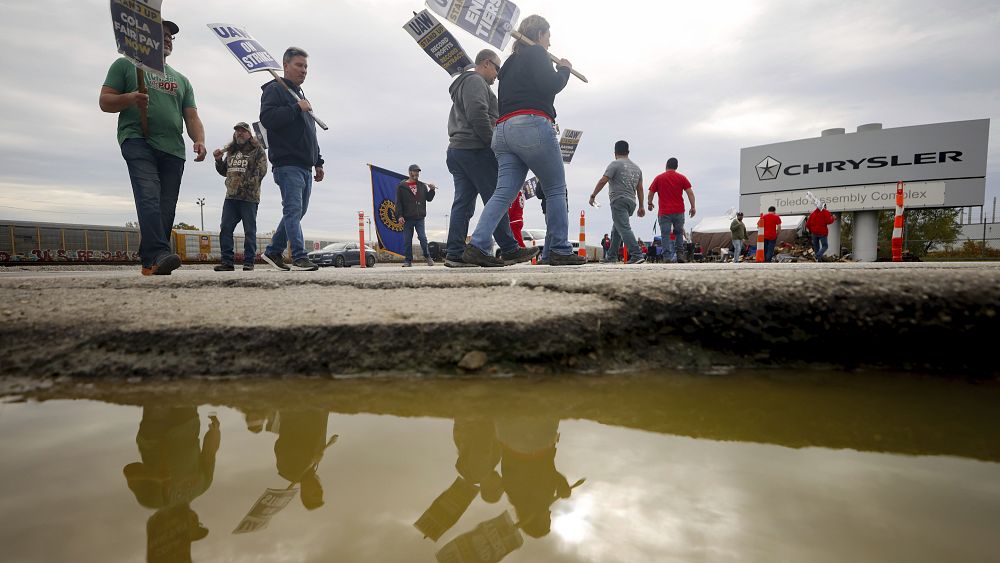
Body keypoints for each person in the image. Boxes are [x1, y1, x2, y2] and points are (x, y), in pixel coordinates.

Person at [462, 15, 585, 267]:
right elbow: (551, 85)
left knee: (503, 192)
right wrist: (564, 70)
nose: (549, 43)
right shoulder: (538, 53)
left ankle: (478, 244)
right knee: (555, 188)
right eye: (548, 37)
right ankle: (559, 249)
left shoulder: (508, 63)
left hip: (503, 131)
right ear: (539, 34)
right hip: (532, 125)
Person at [100, 20, 207, 276]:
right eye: (162, 34)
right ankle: (160, 252)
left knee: (166, 206)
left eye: (170, 36)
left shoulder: (182, 80)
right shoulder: (126, 65)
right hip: (138, 140)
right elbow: (105, 101)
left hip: (173, 149)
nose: (168, 38)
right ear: (145, 38)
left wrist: (199, 139)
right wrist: (130, 98)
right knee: (148, 195)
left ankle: (151, 261)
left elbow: (191, 116)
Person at [444, 50, 537, 267]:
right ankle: (510, 249)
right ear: (486, 63)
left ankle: (455, 252)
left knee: (463, 204)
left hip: (459, 149)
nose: (498, 75)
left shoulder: (464, 84)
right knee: (496, 198)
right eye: (497, 68)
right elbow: (477, 112)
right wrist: (492, 143)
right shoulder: (475, 81)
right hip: (476, 149)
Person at [259, 47, 324, 272]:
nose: (303, 70)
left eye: (305, 66)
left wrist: (318, 161)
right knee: (293, 211)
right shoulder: (275, 90)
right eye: (299, 65)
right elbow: (268, 118)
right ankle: (299, 256)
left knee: (297, 212)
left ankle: (273, 251)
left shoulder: (300, 96)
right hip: (287, 164)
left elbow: (310, 133)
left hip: (305, 165)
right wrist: (296, 108)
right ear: (285, 66)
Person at [213, 122, 267, 271]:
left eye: (243, 131)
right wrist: (218, 160)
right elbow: (224, 171)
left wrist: (244, 184)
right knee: (225, 229)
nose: (239, 133)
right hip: (231, 197)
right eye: (237, 131)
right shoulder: (231, 151)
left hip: (249, 198)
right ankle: (227, 262)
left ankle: (249, 262)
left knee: (249, 231)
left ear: (249, 134)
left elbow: (261, 172)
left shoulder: (257, 150)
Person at [590, 140, 646, 264]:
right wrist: (641, 206)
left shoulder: (614, 164)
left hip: (619, 200)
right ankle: (611, 256)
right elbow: (640, 189)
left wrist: (593, 196)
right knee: (616, 229)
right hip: (631, 202)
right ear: (628, 152)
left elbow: (603, 181)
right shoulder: (637, 168)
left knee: (624, 228)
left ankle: (637, 254)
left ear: (615, 153)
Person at [647, 158, 695, 263]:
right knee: (679, 233)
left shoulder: (659, 178)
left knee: (665, 235)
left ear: (666, 165)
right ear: (676, 167)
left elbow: (651, 193)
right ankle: (680, 255)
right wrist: (693, 207)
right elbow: (690, 193)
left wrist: (650, 204)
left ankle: (667, 257)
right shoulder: (682, 178)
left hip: (664, 212)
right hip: (679, 210)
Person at [396, 164, 437, 267]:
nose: (417, 173)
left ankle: (428, 257)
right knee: (407, 240)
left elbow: (429, 199)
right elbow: (399, 202)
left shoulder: (422, 186)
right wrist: (400, 216)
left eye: (418, 172)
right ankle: (408, 261)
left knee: (423, 238)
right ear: (410, 172)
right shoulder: (402, 186)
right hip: (407, 218)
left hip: (420, 218)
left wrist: (432, 190)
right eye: (415, 171)